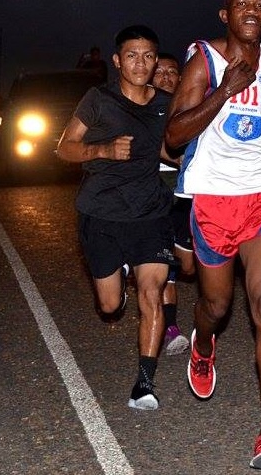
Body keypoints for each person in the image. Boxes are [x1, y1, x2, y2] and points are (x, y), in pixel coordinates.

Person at [164, 0, 261, 472]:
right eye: (242, 3)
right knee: (215, 305)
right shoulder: (205, 61)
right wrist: (222, 91)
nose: (252, 10)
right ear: (225, 14)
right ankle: (202, 342)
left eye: (260, 3)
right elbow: (174, 134)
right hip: (214, 201)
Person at [56, 25, 176, 411]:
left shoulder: (167, 103)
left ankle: (144, 383)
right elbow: (64, 148)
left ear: (156, 60)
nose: (140, 63)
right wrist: (103, 149)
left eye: (147, 56)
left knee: (153, 294)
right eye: (131, 55)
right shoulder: (98, 99)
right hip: (102, 213)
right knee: (109, 306)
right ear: (117, 60)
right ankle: (117, 284)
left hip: (150, 212)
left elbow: (173, 149)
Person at [152, 52, 193, 356]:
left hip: (186, 192)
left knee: (188, 264)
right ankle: (170, 328)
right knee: (161, 262)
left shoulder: (191, 107)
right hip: (153, 192)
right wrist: (183, 159)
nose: (165, 77)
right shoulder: (143, 107)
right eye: (159, 72)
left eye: (171, 72)